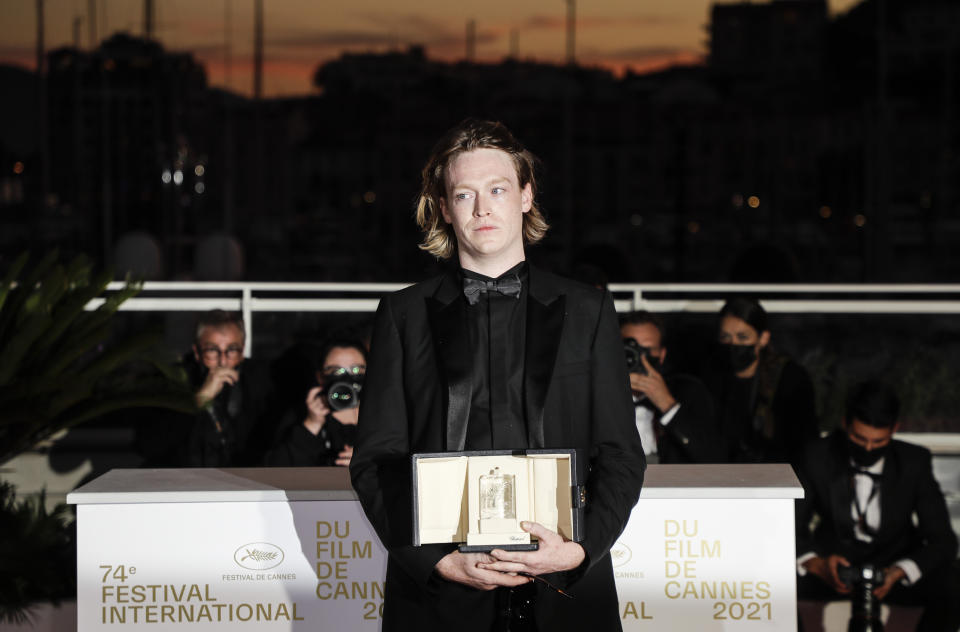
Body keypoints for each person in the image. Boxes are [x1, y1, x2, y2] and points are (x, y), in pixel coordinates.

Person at [349, 119, 646, 632]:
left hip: (565, 596)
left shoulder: (589, 309)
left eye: (498, 190)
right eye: (464, 194)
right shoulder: (402, 315)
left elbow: (621, 453)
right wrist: (435, 561)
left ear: (526, 196)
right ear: (444, 208)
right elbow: (376, 461)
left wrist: (578, 551)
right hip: (439, 601)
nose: (482, 208)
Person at [795, 380, 960, 631]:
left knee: (952, 583)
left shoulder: (914, 461)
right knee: (774, 581)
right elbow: (791, 529)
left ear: (895, 429)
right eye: (859, 439)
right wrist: (817, 564)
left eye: (879, 442)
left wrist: (900, 571)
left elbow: (944, 540)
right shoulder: (816, 455)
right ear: (845, 424)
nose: (869, 448)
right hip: (833, 567)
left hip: (893, 567)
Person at [704, 297, 817, 464]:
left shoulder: (788, 378)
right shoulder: (711, 377)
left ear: (763, 338)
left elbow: (804, 442)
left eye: (742, 337)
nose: (733, 344)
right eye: (726, 337)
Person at [620, 311, 721, 463]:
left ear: (661, 354)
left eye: (647, 350)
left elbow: (713, 458)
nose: (639, 358)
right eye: (630, 350)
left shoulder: (689, 391)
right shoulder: (595, 395)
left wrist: (668, 405)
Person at [182, 310, 275, 466]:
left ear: (242, 351)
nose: (223, 361)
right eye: (212, 350)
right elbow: (159, 444)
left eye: (232, 350)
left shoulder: (261, 382)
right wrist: (201, 398)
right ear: (197, 352)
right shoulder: (178, 379)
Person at [264, 337, 366, 467]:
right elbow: (275, 470)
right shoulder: (299, 415)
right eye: (336, 371)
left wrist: (370, 462)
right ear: (320, 377)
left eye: (357, 370)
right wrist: (312, 424)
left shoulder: (385, 417)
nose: (347, 378)